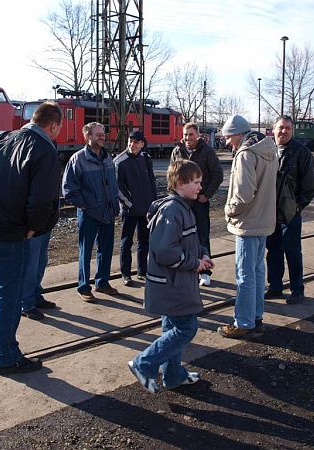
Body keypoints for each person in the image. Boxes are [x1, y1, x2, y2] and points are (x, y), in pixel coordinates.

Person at [0, 101, 62, 374]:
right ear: (53, 126)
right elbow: (43, 198)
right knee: (8, 294)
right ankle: (8, 355)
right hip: (12, 233)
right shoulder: (44, 148)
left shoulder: (1, 139)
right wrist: (34, 227)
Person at [128, 160, 213, 393]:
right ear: (178, 184)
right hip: (171, 284)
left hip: (176, 282)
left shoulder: (183, 208)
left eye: (200, 181)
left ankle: (173, 375)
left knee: (171, 328)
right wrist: (194, 263)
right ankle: (143, 363)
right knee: (186, 328)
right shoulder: (173, 210)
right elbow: (165, 251)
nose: (200, 186)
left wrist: (202, 256)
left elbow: (188, 242)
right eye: (195, 182)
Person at [217, 115, 278, 339]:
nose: (226, 143)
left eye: (228, 137)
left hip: (248, 223)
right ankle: (256, 317)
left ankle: (243, 323)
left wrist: (229, 211)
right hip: (264, 221)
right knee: (257, 271)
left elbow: (243, 195)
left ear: (239, 134)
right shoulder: (269, 150)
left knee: (245, 275)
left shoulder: (245, 154)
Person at [62, 122, 120, 301]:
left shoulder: (107, 158)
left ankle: (102, 282)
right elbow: (69, 188)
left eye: (103, 133)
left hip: (107, 212)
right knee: (85, 251)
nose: (102, 136)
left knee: (106, 249)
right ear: (88, 136)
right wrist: (84, 205)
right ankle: (83, 286)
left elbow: (113, 184)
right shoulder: (78, 159)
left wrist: (114, 204)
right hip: (89, 213)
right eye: (98, 134)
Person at [265, 115, 314, 304]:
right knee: (273, 251)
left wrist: (295, 208)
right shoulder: (268, 150)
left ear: (292, 130)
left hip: (290, 214)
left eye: (287, 128)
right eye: (280, 127)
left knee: (293, 252)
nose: (283, 131)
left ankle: (297, 290)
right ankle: (275, 287)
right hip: (269, 213)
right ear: (274, 129)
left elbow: (309, 187)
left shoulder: (302, 153)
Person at [170, 122, 223, 286]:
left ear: (198, 135)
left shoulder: (207, 151)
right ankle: (187, 268)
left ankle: (205, 272)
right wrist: (173, 196)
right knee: (181, 236)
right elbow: (171, 175)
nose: (187, 138)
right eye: (185, 134)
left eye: (191, 134)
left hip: (199, 202)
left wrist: (206, 195)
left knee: (202, 235)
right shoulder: (177, 151)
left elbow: (218, 174)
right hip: (181, 202)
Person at [114, 130, 157, 287]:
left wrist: (153, 202)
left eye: (136, 142)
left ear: (142, 144)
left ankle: (142, 271)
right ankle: (125, 274)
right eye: (130, 141)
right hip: (130, 210)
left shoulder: (146, 159)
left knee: (144, 240)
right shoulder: (120, 161)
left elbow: (152, 181)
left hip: (146, 208)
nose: (132, 144)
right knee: (126, 241)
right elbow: (117, 188)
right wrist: (129, 203)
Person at [20, 229, 57, 321]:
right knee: (31, 265)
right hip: (33, 226)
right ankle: (26, 304)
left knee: (41, 261)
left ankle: (35, 296)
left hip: (44, 224)